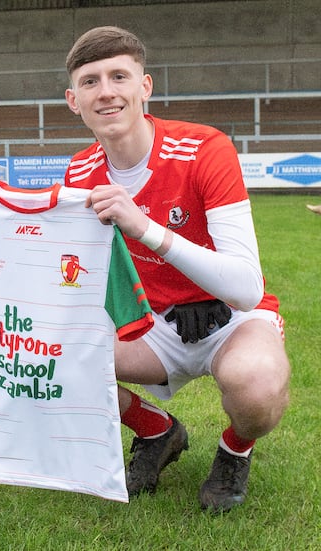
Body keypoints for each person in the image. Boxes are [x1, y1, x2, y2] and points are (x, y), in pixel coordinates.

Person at [63, 26, 290, 513]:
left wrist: (144, 227)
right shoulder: (80, 172)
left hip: (232, 317)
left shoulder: (204, 148)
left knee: (259, 384)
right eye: (90, 82)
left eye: (119, 76)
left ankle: (234, 451)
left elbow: (247, 287)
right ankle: (158, 431)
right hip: (156, 324)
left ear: (144, 87)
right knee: (54, 352)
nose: (106, 91)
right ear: (73, 100)